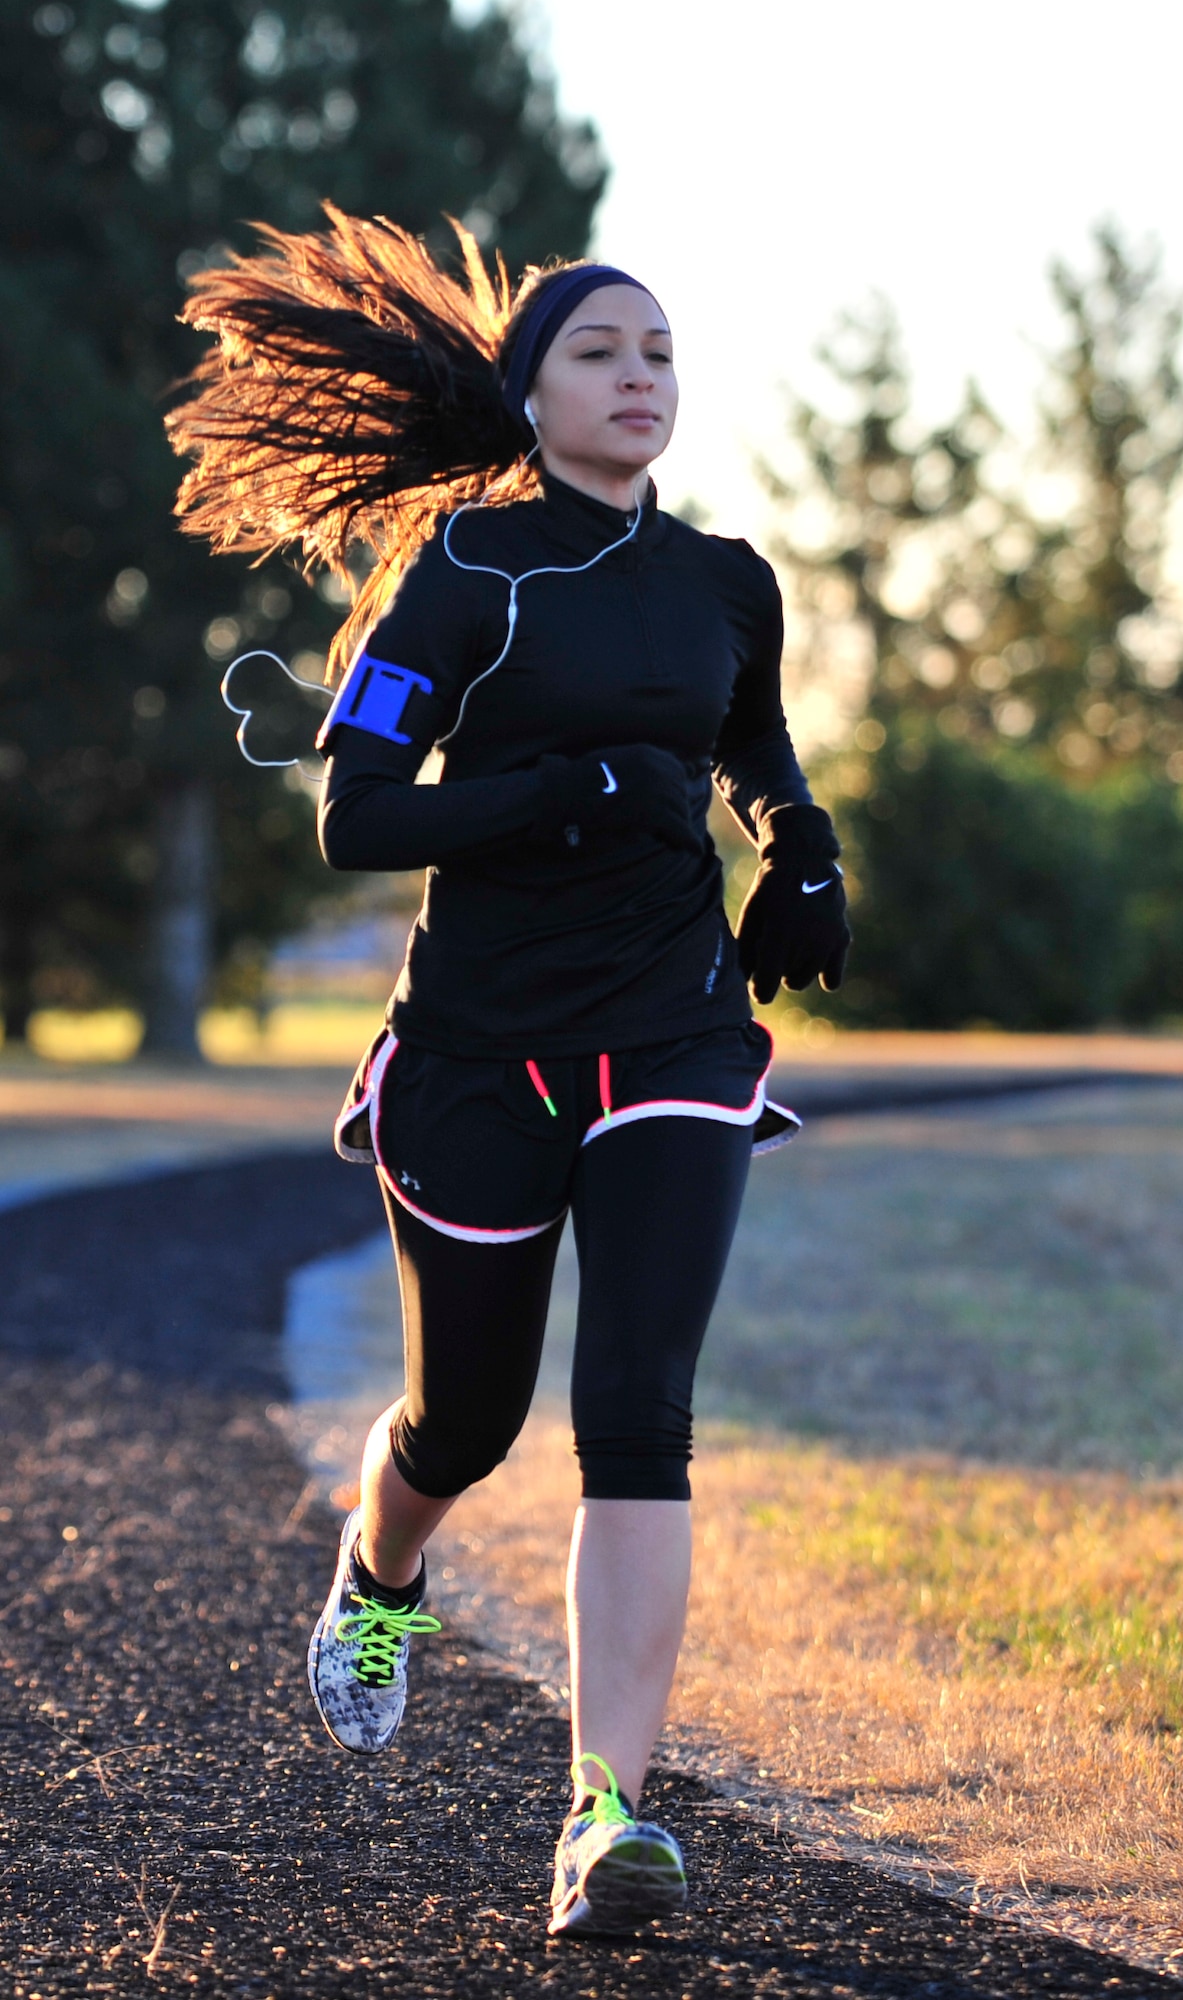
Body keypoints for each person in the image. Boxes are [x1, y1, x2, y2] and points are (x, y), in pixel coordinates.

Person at [169, 209, 850, 1938]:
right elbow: (357, 815)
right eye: (601, 354)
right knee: (466, 1417)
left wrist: (800, 841)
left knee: (638, 1416)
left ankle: (607, 1811)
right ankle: (382, 1568)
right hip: (480, 1051)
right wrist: (562, 795)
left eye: (661, 354)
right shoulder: (464, 574)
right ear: (531, 393)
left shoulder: (724, 581)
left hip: (675, 1030)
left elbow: (750, 735)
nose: (641, 378)